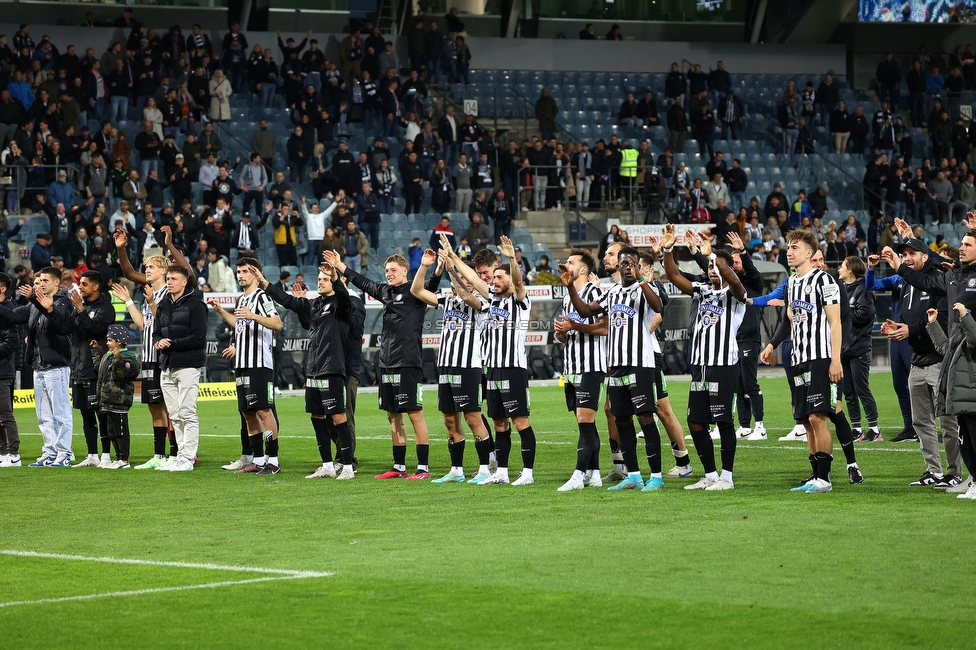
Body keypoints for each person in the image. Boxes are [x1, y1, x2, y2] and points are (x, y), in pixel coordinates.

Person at [564, 244, 664, 491]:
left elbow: (659, 307)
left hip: (640, 364)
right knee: (621, 420)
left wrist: (641, 278)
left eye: (632, 262)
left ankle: (658, 477)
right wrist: (569, 287)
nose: (628, 266)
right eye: (624, 262)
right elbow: (586, 310)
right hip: (615, 367)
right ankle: (634, 475)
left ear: (638, 266)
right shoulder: (612, 293)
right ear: (619, 266)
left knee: (645, 418)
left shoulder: (645, 289)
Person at [325, 249, 431, 480]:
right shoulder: (385, 292)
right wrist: (340, 265)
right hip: (387, 362)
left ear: (405, 271)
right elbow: (362, 282)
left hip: (408, 362)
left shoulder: (416, 291)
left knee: (414, 414)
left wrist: (430, 267)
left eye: (393, 270)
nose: (389, 274)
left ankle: (422, 467)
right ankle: (399, 466)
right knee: (393, 416)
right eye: (386, 270)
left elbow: (430, 285)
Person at [661, 226, 746, 491]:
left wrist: (717, 260)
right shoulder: (701, 289)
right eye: (708, 266)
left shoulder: (734, 294)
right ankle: (710, 474)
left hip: (723, 366)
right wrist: (667, 250)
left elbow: (734, 282)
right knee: (695, 421)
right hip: (700, 366)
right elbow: (673, 274)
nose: (711, 269)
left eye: (716, 266)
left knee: (723, 421)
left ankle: (727, 477)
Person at [874, 237, 962, 488]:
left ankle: (954, 472)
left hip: (940, 361)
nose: (907, 257)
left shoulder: (938, 281)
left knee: (947, 422)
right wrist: (897, 326)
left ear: (926, 257)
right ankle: (933, 471)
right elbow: (910, 319)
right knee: (921, 422)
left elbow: (942, 320)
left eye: (913, 253)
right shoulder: (907, 283)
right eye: (905, 254)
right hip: (917, 361)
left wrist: (910, 330)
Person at [410, 249, 493, 483]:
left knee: (472, 417)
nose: (463, 282)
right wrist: (426, 266)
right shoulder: (446, 301)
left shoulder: (482, 304)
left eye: (467, 279)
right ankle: (456, 470)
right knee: (449, 419)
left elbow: (467, 297)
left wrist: (451, 271)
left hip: (468, 367)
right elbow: (416, 291)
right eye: (460, 278)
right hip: (445, 367)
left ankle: (485, 469)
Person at [772, 229, 844, 493]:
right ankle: (815, 475)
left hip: (820, 357)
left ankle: (824, 479)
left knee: (817, 416)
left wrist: (835, 360)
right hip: (799, 358)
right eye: (788, 247)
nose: (789, 252)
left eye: (794, 248)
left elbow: (835, 323)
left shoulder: (824, 280)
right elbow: (792, 318)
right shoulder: (791, 283)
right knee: (804, 418)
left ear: (810, 253)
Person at [208, 258, 284, 475]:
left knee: (263, 411)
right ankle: (258, 460)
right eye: (238, 271)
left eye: (244, 271)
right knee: (247, 413)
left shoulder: (263, 296)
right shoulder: (242, 299)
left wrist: (252, 315)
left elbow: (277, 323)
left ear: (255, 274)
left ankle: (274, 461)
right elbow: (240, 325)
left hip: (259, 364)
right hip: (241, 364)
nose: (240, 275)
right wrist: (222, 312)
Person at [0, 267, 74, 466]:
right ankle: (49, 451)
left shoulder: (64, 302)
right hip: (39, 366)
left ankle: (65, 453)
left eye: (45, 280)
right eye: (39, 280)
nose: (41, 283)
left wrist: (48, 308)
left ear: (57, 283)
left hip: (56, 366)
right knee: (43, 416)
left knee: (60, 413)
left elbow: (64, 328)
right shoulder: (34, 305)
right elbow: (13, 316)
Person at [553, 249, 608, 491]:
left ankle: (578, 475)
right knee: (585, 423)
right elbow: (567, 336)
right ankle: (594, 474)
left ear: (583, 270)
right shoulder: (568, 296)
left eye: (571, 262)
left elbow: (604, 328)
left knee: (585, 420)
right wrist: (562, 333)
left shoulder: (595, 292)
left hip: (591, 366)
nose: (566, 265)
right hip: (572, 367)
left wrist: (574, 325)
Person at [153, 265, 208, 472]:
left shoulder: (196, 305)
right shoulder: (163, 305)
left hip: (188, 365)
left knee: (187, 412)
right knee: (174, 414)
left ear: (185, 282)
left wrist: (172, 343)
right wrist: (158, 342)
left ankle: (188, 456)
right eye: (168, 278)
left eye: (174, 278)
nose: (169, 282)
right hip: (166, 365)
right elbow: (156, 332)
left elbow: (198, 337)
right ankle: (179, 455)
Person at [64, 270, 116, 469]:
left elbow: (95, 330)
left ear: (96, 286)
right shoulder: (80, 306)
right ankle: (92, 455)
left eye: (84, 284)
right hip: (78, 366)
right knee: (85, 412)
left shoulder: (106, 308)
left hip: (96, 367)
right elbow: (68, 329)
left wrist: (79, 308)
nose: (80, 286)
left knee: (101, 412)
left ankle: (106, 455)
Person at [837, 256, 881, 441]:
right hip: (844, 347)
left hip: (859, 347)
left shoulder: (864, 288)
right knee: (849, 392)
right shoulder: (841, 289)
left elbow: (865, 314)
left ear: (850, 270)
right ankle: (856, 428)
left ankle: (874, 428)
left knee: (862, 389)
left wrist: (843, 312)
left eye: (842, 265)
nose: (839, 268)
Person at [90, 323, 141, 468]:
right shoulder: (108, 355)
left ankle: (124, 460)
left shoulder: (129, 358)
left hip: (119, 400)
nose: (107, 343)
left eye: (110, 340)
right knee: (111, 432)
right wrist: (96, 352)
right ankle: (118, 458)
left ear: (119, 342)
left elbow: (121, 376)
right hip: (107, 401)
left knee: (121, 431)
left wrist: (118, 359)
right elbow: (99, 369)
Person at [0, 273, 22, 467]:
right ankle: (1, 453)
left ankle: (13, 453)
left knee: (5, 413)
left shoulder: (9, 311)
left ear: (2, 288)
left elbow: (12, 342)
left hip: (3, 370)